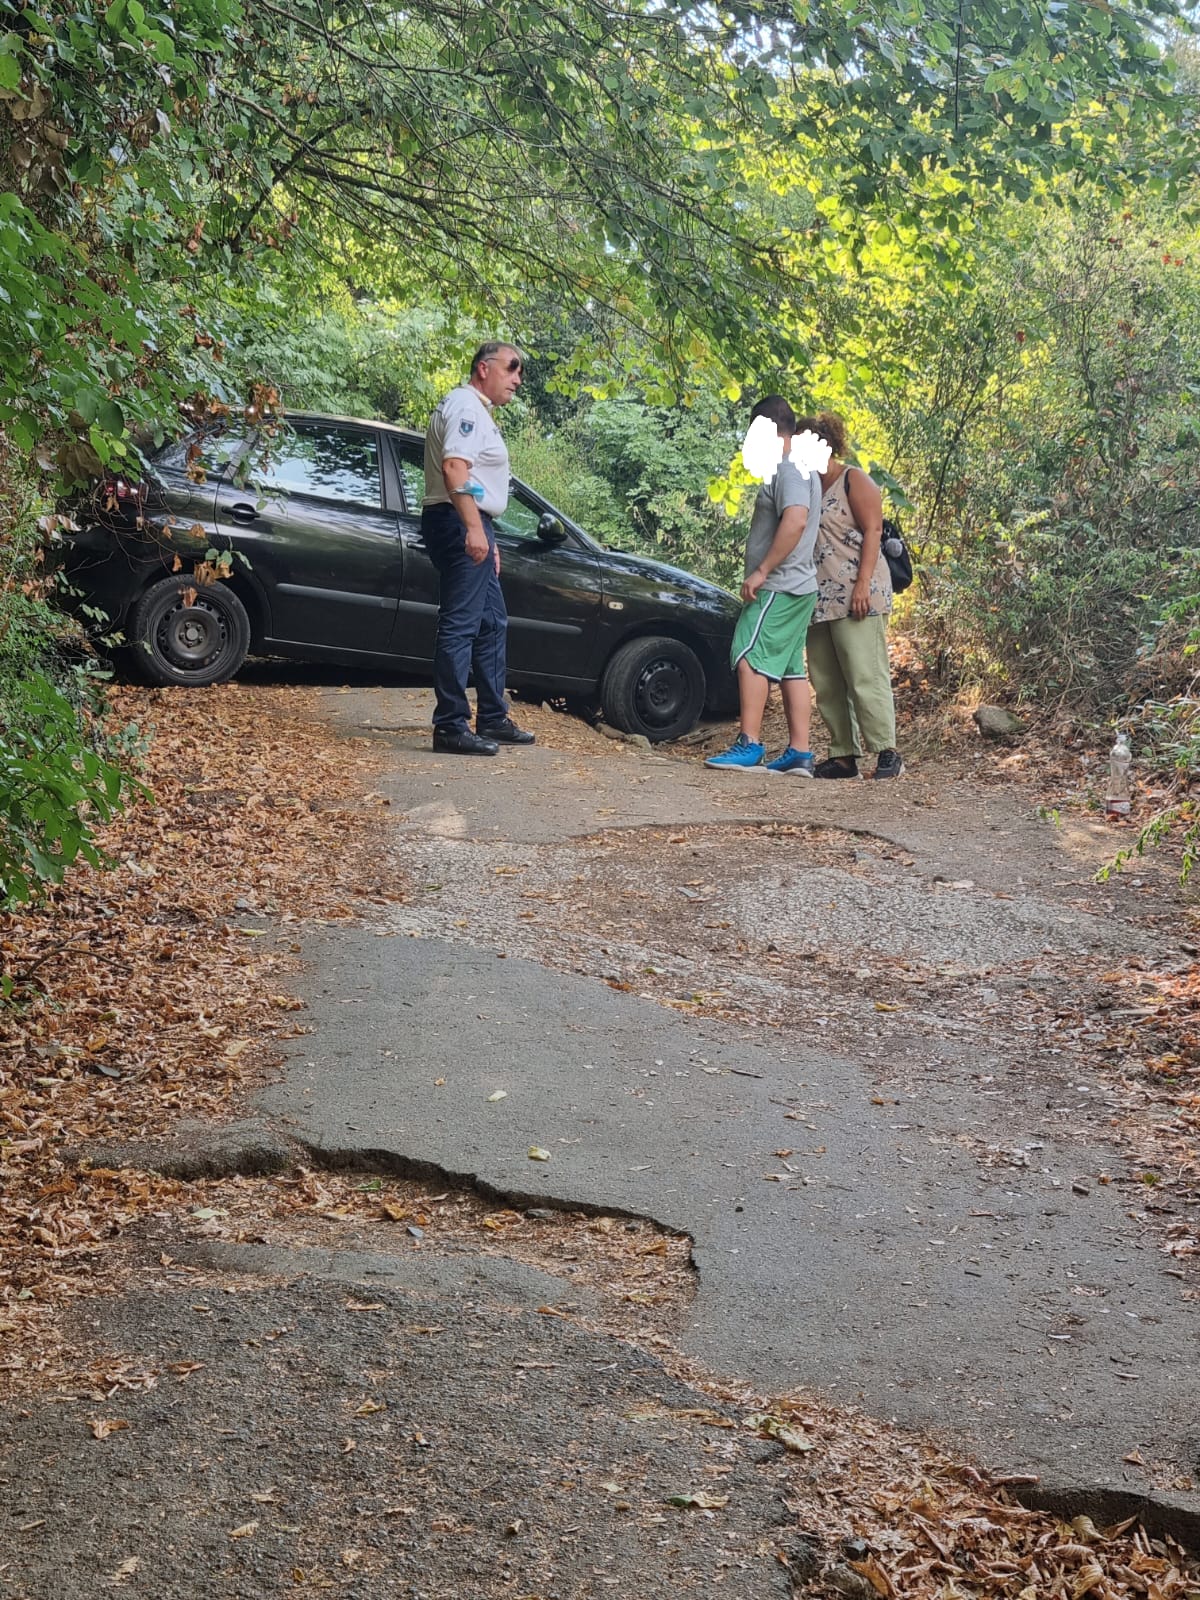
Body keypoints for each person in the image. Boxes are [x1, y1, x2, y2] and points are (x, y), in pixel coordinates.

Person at [420, 342, 536, 756]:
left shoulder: (470, 406)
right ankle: (450, 726)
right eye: (512, 368)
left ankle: (492, 715)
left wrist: (485, 531)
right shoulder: (468, 407)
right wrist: (473, 527)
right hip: (456, 520)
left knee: (492, 622)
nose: (518, 379)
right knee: (461, 625)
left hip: (466, 520)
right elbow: (455, 467)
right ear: (484, 368)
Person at [705, 396, 822, 773]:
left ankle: (749, 744)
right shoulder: (800, 466)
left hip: (780, 585)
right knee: (790, 668)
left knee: (748, 654)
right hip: (799, 584)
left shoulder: (789, 468)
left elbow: (796, 520)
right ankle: (799, 752)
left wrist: (762, 571)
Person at [794, 411, 902, 779]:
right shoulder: (806, 486)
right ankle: (843, 754)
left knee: (864, 674)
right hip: (817, 595)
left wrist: (862, 585)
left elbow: (873, 531)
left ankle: (887, 752)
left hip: (858, 592)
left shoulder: (854, 480)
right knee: (826, 680)